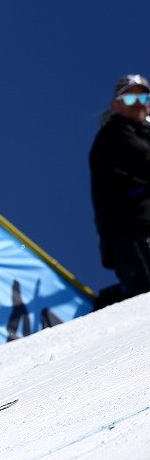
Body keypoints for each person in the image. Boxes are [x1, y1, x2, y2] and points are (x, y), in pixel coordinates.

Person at [89, 74, 150, 307]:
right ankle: (107, 309)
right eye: (130, 97)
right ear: (115, 105)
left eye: (143, 96)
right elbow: (143, 161)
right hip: (132, 231)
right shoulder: (113, 136)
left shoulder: (142, 134)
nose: (138, 103)